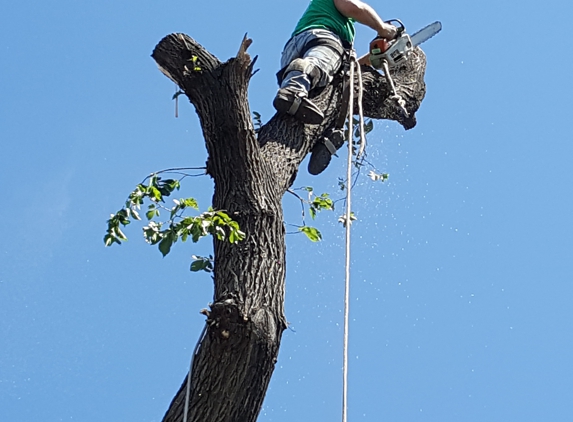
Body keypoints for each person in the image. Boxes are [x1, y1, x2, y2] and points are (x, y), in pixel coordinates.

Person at [273, 0, 398, 125]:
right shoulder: (336, 22)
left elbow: (347, 70)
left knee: (320, 83)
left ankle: (297, 102)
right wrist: (383, 28)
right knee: (316, 65)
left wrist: (374, 56)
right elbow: (355, 8)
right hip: (321, 38)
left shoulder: (338, 21)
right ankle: (293, 91)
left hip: (294, 52)